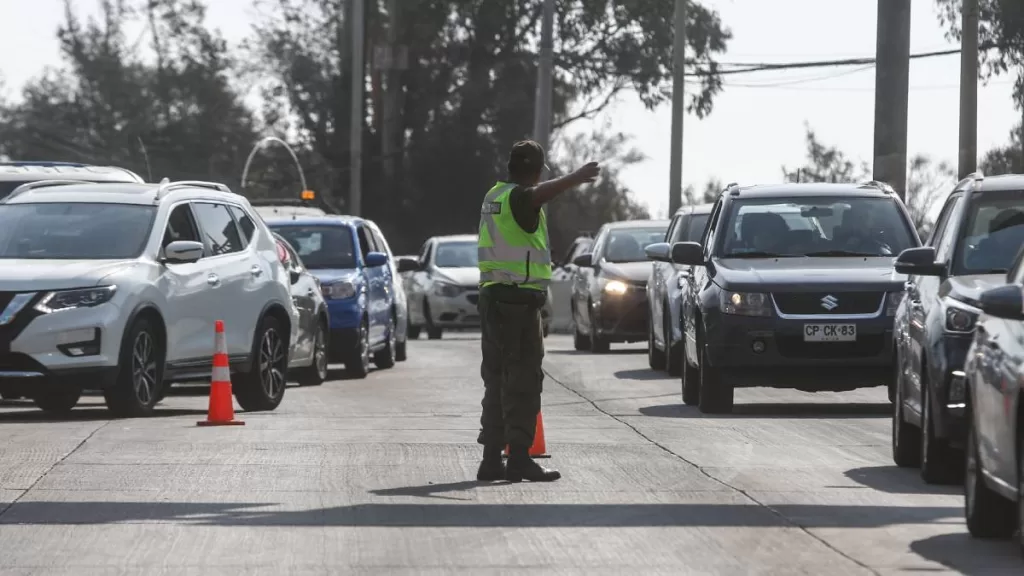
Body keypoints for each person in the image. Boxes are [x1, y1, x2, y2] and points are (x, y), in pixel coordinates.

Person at [476, 140, 600, 483]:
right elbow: (536, 196)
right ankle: (517, 459)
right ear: (535, 171)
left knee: (497, 380)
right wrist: (575, 177)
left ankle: (490, 460)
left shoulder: (494, 196)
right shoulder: (518, 197)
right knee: (524, 382)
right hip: (516, 302)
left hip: (493, 298)